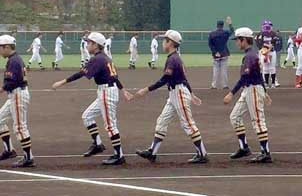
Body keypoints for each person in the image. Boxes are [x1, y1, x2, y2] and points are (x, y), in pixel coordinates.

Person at [52, 32, 133, 165]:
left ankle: (119, 155)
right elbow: (114, 76)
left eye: (89, 42)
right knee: (87, 116)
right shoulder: (104, 58)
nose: (87, 44)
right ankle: (98, 144)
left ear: (95, 45)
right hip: (106, 90)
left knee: (110, 125)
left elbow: (81, 73)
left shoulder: (98, 59)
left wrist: (62, 82)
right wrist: (123, 90)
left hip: (107, 92)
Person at [134, 30, 208, 164]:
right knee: (162, 121)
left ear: (171, 43)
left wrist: (147, 89)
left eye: (165, 40)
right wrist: (191, 94)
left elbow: (164, 79)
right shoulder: (174, 58)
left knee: (188, 124)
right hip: (175, 94)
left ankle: (202, 154)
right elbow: (184, 78)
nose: (163, 43)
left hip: (178, 93)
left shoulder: (173, 59)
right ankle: (152, 152)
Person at [224, 27, 273, 164]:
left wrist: (231, 93)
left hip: (253, 90)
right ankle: (244, 147)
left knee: (258, 120)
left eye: (238, 40)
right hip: (250, 89)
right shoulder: (251, 54)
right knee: (235, 117)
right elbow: (258, 74)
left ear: (244, 40)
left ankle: (266, 153)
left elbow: (244, 78)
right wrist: (265, 91)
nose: (236, 43)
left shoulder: (250, 56)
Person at [0, 34, 35, 167]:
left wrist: (1, 89)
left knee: (20, 126)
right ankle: (9, 150)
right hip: (15, 94)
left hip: (18, 95)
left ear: (7, 47)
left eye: (1, 47)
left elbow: (11, 82)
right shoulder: (14, 59)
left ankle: (29, 157)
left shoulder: (14, 61)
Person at [208, 17, 234, 90]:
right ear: (222, 25)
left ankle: (214, 85)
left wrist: (215, 52)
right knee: (224, 71)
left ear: (217, 25)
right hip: (224, 53)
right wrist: (230, 24)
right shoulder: (225, 33)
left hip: (216, 55)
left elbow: (210, 44)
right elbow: (232, 31)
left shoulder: (212, 34)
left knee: (215, 71)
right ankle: (224, 85)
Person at [256, 21, 279, 88]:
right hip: (263, 52)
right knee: (265, 68)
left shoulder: (273, 34)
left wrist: (270, 46)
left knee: (272, 67)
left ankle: (273, 83)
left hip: (271, 52)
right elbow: (259, 43)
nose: (267, 28)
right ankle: (265, 82)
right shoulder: (260, 34)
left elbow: (274, 42)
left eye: (268, 27)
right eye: (265, 27)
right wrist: (264, 49)